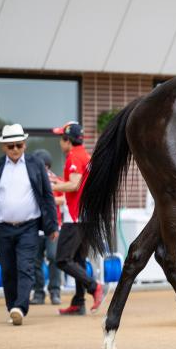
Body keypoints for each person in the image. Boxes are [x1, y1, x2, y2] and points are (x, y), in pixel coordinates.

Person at [0, 124, 58, 325]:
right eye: (10, 146)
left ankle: (20, 307)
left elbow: (47, 195)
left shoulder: (36, 164)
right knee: (8, 270)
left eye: (19, 145)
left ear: (24, 145)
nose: (15, 150)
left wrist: (52, 225)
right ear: (3, 147)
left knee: (25, 267)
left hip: (28, 226)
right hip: (3, 227)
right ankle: (12, 306)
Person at [52, 121, 104, 315]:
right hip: (85, 215)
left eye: (61, 137)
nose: (60, 142)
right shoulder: (85, 155)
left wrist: (52, 187)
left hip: (74, 217)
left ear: (68, 139)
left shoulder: (74, 155)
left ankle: (93, 287)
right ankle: (78, 302)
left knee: (63, 259)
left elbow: (74, 185)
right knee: (78, 259)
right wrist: (60, 184)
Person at [30, 149, 64, 305]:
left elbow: (63, 198)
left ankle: (55, 291)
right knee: (36, 260)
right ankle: (38, 292)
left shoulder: (55, 180)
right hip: (35, 226)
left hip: (52, 225)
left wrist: (48, 200)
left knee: (53, 257)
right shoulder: (30, 179)